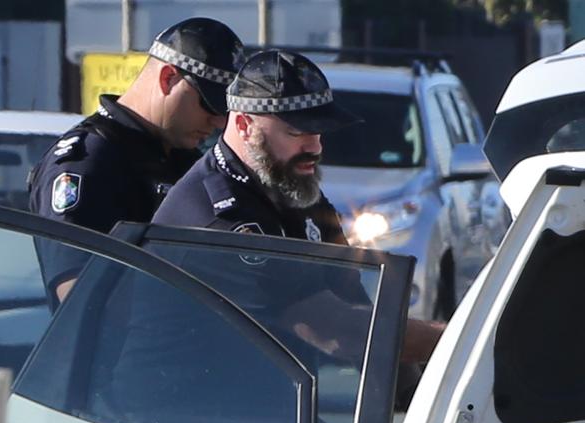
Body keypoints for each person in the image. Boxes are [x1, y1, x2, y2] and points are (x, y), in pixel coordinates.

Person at [152, 49, 445, 364]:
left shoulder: (291, 189)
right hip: (182, 403)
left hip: (256, 397)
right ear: (244, 125)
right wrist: (461, 341)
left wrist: (414, 394)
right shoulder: (220, 219)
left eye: (319, 131)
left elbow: (357, 309)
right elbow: (335, 330)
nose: (315, 147)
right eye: (296, 132)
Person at [28, 17, 246, 303]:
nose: (219, 122)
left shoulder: (183, 158)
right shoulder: (89, 162)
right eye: (210, 103)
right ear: (168, 78)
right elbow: (79, 296)